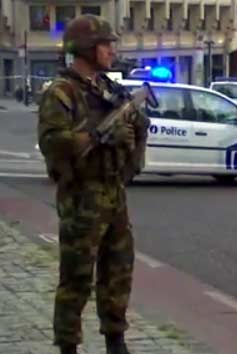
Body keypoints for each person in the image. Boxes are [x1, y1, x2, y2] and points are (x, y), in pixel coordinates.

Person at [37, 14, 150, 354]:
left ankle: (115, 338)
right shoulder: (62, 93)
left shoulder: (107, 88)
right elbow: (52, 141)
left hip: (113, 190)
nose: (112, 51)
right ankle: (68, 345)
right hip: (82, 195)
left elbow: (132, 130)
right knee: (76, 276)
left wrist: (131, 136)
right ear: (87, 48)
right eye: (106, 44)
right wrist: (99, 137)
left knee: (119, 270)